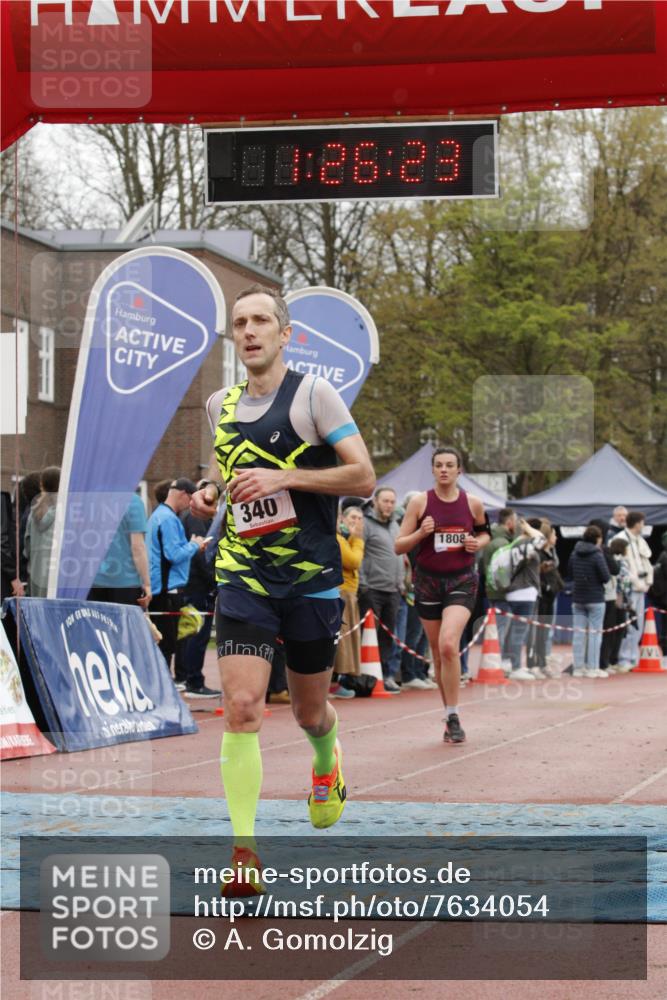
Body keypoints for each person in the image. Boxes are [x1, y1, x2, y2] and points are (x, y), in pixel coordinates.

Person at [190, 283, 375, 892]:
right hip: (243, 573)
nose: (249, 331)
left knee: (308, 711)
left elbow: (365, 476)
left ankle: (327, 760)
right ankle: (244, 850)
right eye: (240, 322)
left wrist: (285, 477)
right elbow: (231, 470)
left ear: (284, 333)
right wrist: (217, 491)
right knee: (241, 708)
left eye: (261, 320)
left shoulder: (315, 395)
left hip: (310, 578)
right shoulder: (219, 402)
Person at [395, 446, 491, 744]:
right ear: (434, 470)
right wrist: (422, 534)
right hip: (427, 582)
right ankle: (449, 715)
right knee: (437, 652)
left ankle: (453, 713)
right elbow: (399, 546)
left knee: (449, 644)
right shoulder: (420, 503)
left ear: (459, 470)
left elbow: (485, 531)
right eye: (439, 465)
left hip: (462, 580)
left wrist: (478, 543)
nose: (445, 470)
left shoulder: (472, 503)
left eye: (450, 465)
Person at [148, 478, 208, 685]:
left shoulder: (158, 515)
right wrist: (194, 545)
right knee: (166, 644)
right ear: (183, 494)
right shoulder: (168, 519)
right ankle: (161, 690)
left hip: (160, 586)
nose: (191, 506)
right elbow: (173, 554)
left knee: (164, 642)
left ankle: (161, 688)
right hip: (167, 589)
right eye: (191, 500)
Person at [175, 480, 221, 698]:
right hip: (199, 585)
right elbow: (202, 550)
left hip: (194, 582)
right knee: (197, 632)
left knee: (191, 630)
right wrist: (214, 581)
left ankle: (187, 676)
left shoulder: (189, 516)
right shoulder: (196, 518)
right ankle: (193, 680)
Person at [357, 487, 405, 693]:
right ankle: (363, 678)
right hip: (372, 589)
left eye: (392, 502)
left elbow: (400, 554)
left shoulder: (395, 524)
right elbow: (358, 552)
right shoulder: (365, 524)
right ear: (375, 501)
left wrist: (401, 582)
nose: (389, 505)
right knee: (369, 635)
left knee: (388, 636)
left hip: (393, 590)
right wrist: (363, 584)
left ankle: (384, 675)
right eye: (385, 501)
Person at [88, 491, 151, 608]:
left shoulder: (90, 501)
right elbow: (138, 547)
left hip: (93, 580)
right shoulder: (134, 501)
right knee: (124, 626)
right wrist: (147, 583)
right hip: (126, 582)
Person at [503, 518, 547, 681]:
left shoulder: (514, 544)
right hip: (525, 591)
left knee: (511, 630)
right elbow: (541, 539)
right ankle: (515, 666)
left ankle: (507, 661)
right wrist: (529, 528)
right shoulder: (528, 545)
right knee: (519, 631)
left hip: (512, 590)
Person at [330, 504, 365, 699]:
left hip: (349, 593)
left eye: (360, 519)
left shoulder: (344, 538)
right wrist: (358, 539)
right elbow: (354, 561)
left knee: (345, 639)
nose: (356, 522)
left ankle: (338, 681)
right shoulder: (338, 539)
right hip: (341, 592)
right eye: (352, 517)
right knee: (340, 640)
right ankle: (333, 683)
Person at [567, 524, 610, 678]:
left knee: (578, 634)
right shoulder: (598, 555)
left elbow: (570, 573)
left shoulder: (574, 553)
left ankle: (578, 667)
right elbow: (606, 577)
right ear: (598, 539)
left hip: (578, 597)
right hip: (595, 598)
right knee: (595, 634)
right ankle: (593, 667)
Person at [614, 511, 653, 670]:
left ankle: (632, 657)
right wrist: (636, 582)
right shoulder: (621, 539)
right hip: (629, 589)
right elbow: (623, 567)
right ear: (637, 523)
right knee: (628, 624)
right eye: (642, 522)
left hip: (642, 588)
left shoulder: (640, 541)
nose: (643, 525)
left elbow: (646, 562)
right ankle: (623, 658)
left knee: (638, 624)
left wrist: (648, 582)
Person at [480, 507, 517, 668]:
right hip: (502, 592)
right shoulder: (503, 544)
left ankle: (496, 661)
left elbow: (483, 567)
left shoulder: (490, 541)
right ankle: (498, 662)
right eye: (514, 521)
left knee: (496, 629)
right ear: (509, 522)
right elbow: (505, 570)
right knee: (501, 630)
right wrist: (509, 587)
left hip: (492, 590)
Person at [588, 518, 620, 673]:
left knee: (590, 631)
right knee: (606, 630)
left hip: (589, 594)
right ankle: (602, 663)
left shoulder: (579, 548)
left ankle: (589, 662)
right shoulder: (602, 550)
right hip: (604, 594)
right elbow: (614, 569)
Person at [23, 466, 60, 597]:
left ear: (42, 486)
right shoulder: (66, 514)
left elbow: (27, 550)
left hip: (36, 578)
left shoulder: (33, 513)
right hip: (58, 580)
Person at [607, 536, 634, 673]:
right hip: (619, 600)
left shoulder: (613, 560)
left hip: (615, 599)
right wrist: (628, 601)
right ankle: (612, 660)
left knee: (615, 631)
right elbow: (624, 583)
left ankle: (611, 659)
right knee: (617, 631)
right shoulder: (621, 562)